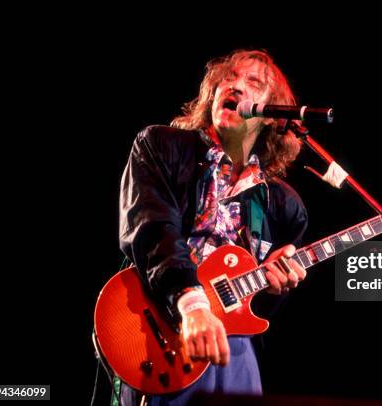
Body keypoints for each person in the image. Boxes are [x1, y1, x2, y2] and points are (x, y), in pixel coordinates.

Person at [117, 49, 309, 405]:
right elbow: (151, 228)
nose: (235, 86)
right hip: (163, 324)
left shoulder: (284, 205)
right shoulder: (160, 145)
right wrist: (192, 305)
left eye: (253, 82)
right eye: (229, 78)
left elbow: (260, 313)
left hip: (233, 347)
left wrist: (275, 285)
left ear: (272, 114)